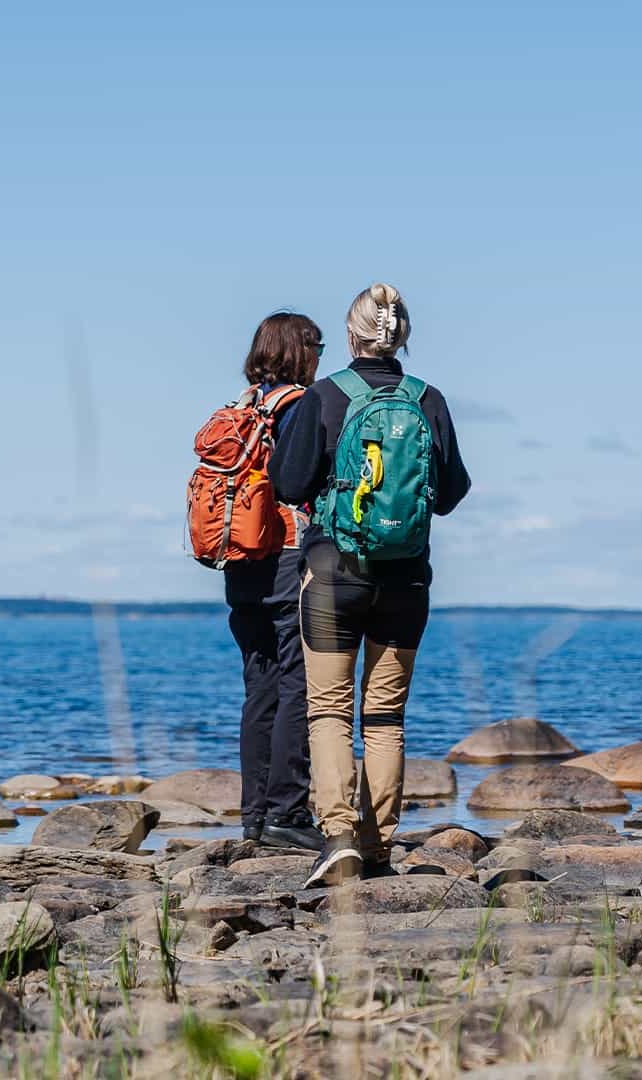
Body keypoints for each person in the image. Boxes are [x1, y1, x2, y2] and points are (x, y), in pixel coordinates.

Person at [271, 283, 471, 886]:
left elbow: (287, 482)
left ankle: (337, 837)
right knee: (386, 715)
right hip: (407, 575)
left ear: (354, 332)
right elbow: (453, 492)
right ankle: (379, 843)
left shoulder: (325, 396)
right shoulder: (427, 399)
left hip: (335, 571)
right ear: (401, 335)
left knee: (328, 710)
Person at [224, 313, 324, 851]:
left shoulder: (241, 406)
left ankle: (254, 817)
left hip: (239, 557)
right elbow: (302, 479)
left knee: (258, 685)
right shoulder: (297, 405)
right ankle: (289, 811)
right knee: (296, 683)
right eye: (318, 345)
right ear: (300, 350)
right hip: (285, 551)